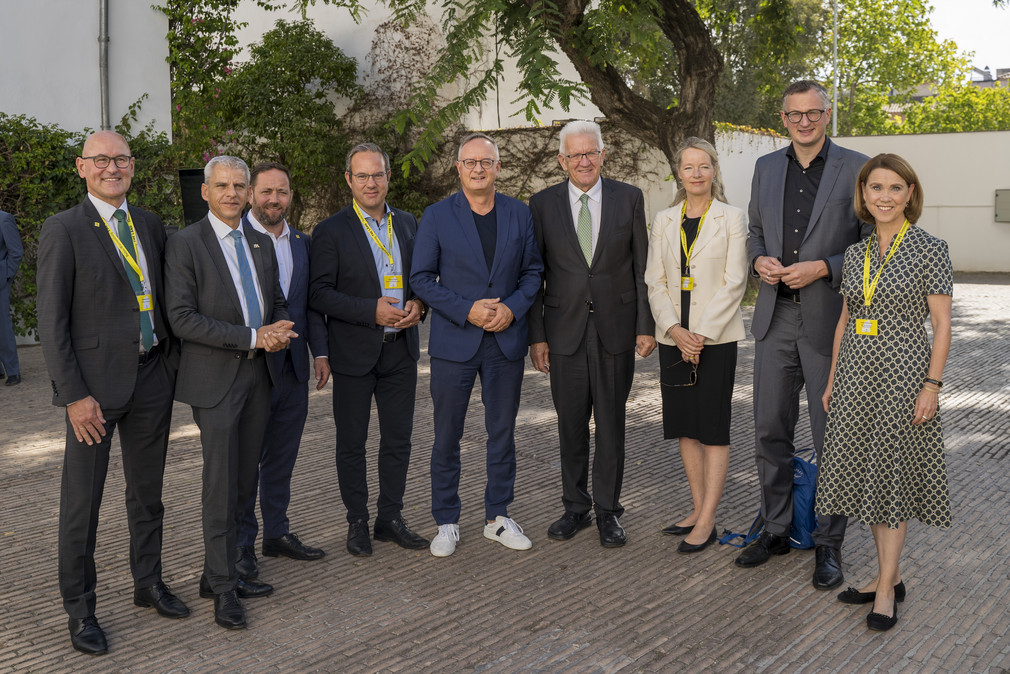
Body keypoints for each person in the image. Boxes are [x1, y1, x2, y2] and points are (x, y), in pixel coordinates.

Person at [37, 131, 189, 655]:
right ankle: (80, 611)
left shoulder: (147, 224)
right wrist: (73, 395)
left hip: (151, 380)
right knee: (83, 505)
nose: (112, 168)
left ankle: (148, 583)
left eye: (120, 159)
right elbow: (51, 323)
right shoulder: (63, 230)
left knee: (148, 496)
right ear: (82, 167)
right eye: (100, 160)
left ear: (132, 166)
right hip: (93, 394)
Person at [740, 80, 872, 590]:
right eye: (794, 114)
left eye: (813, 113)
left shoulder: (857, 167)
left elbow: (870, 242)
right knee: (769, 430)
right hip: (774, 319)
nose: (804, 122)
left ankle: (829, 544)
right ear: (783, 117)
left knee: (832, 437)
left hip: (829, 323)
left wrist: (824, 268)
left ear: (827, 113)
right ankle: (775, 529)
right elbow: (754, 230)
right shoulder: (765, 168)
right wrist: (758, 259)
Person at [818, 154, 952, 632]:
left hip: (902, 376)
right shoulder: (856, 254)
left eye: (896, 188)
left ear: (910, 194)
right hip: (856, 374)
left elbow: (941, 325)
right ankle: (885, 580)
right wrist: (834, 379)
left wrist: (931, 385)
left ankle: (887, 589)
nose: (885, 197)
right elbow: (845, 320)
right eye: (876, 188)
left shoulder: (931, 249)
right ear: (864, 194)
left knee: (892, 480)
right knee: (870, 480)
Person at [164, 155, 296, 630]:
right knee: (220, 487)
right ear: (205, 192)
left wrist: (278, 325)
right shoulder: (185, 244)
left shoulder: (259, 242)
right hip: (216, 380)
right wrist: (252, 337)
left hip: (259, 377)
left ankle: (225, 569)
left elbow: (275, 298)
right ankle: (222, 589)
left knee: (244, 483)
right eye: (222, 185)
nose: (232, 194)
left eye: (240, 186)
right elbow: (181, 318)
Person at [410, 132, 543, 558]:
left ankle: (497, 516)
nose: (478, 168)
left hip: (504, 342)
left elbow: (533, 273)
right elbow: (421, 279)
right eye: (470, 162)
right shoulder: (436, 215)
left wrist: (514, 308)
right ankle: (446, 521)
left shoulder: (519, 214)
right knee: (446, 436)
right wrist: (466, 309)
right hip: (455, 343)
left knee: (501, 433)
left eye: (487, 162)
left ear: (498, 168)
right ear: (459, 168)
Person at [527, 120, 656, 548]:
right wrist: (537, 335)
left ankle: (608, 511)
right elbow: (535, 275)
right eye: (575, 155)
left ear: (603, 153)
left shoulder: (629, 198)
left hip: (616, 331)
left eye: (591, 152)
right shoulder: (541, 204)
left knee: (612, 425)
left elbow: (642, 267)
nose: (584, 161)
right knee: (570, 426)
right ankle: (575, 507)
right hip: (563, 333)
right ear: (562, 160)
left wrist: (645, 326)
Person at [310, 143, 429, 557]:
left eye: (377, 174)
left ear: (388, 177)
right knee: (352, 443)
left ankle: (390, 517)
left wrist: (419, 303)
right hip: (354, 354)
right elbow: (319, 294)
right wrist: (369, 311)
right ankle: (357, 520)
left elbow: (423, 278)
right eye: (361, 176)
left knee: (399, 440)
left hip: (401, 353)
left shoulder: (410, 223)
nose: (371, 183)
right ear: (349, 180)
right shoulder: (330, 231)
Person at [644, 137, 748, 554]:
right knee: (686, 428)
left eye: (704, 166)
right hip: (674, 340)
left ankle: (707, 520)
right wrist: (673, 330)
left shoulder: (731, 218)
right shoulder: (664, 220)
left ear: (714, 170)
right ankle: (696, 506)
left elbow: (735, 280)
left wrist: (699, 334)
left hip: (715, 340)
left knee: (713, 429)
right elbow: (655, 281)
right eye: (688, 167)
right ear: (678, 174)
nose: (697, 174)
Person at [235, 162, 329, 580]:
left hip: (293, 369)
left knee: (282, 458)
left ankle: (276, 532)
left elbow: (309, 305)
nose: (275, 199)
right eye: (267, 191)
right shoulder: (234, 240)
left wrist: (320, 354)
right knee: (245, 461)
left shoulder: (304, 243)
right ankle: (241, 546)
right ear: (252, 194)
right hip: (251, 369)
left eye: (283, 192)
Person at [0, 210, 23, 385]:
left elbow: (16, 252)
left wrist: (6, 276)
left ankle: (13, 372)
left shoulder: (4, 218)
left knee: (3, 327)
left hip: (0, 282)